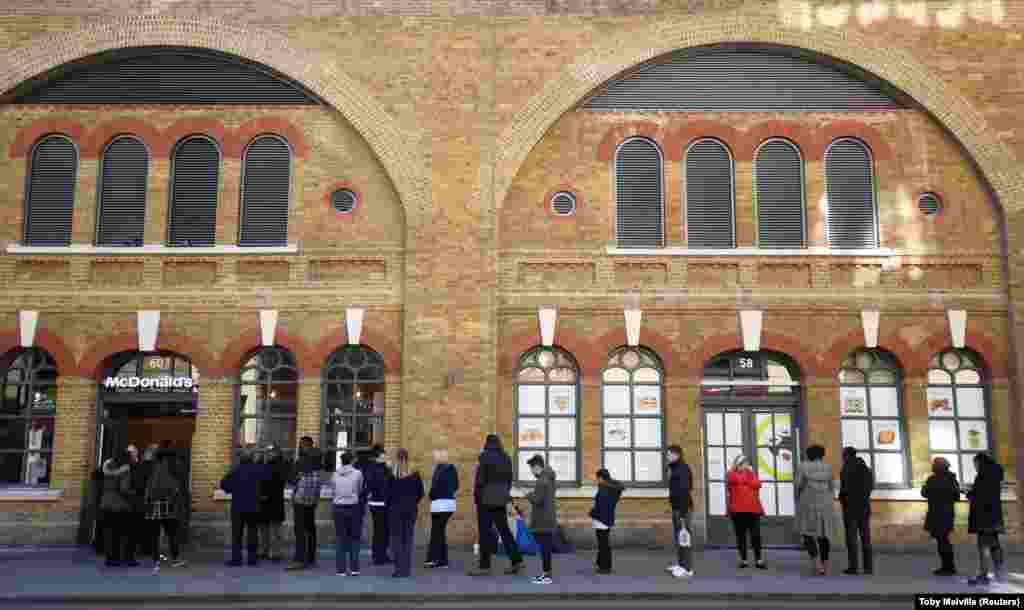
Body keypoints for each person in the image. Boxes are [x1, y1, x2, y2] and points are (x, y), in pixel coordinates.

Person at [469, 434, 524, 576]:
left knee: (484, 533)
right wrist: (505, 496)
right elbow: (509, 479)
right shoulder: (505, 458)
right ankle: (516, 560)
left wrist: (477, 498)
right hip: (501, 500)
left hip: (485, 501)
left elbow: (480, 481)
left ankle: (484, 566)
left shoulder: (485, 457)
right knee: (504, 530)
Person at [220, 448, 268, 566]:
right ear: (251, 458)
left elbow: (224, 484)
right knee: (252, 533)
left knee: (237, 534)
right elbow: (265, 486)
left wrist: (231, 490)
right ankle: (252, 559)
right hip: (253, 506)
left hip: (238, 506)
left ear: (241, 459)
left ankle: (236, 559)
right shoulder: (258, 470)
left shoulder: (236, 471)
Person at [796, 444, 838, 576]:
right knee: (824, 534)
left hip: (808, 504)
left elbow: (798, 484)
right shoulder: (828, 467)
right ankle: (825, 564)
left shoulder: (802, 466)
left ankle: (817, 563)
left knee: (807, 533)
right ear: (822, 455)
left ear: (809, 455)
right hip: (825, 505)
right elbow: (833, 486)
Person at [967, 452, 1005, 586]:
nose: (975, 467)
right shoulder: (995, 474)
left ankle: (983, 575)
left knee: (983, 546)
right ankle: (1000, 573)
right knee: (994, 544)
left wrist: (969, 494)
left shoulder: (983, 475)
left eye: (975, 464)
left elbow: (980, 495)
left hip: (983, 516)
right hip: (994, 515)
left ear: (980, 462)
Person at [145, 449, 187, 572]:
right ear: (164, 459)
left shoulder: (151, 469)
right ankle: (175, 559)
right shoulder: (167, 469)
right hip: (167, 506)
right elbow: (174, 488)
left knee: (154, 534)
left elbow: (148, 488)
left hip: (153, 505)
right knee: (172, 533)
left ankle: (156, 559)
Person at [388, 448, 424, 578]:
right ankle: (406, 569)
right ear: (407, 458)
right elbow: (421, 493)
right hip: (410, 509)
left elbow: (387, 493)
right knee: (408, 539)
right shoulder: (415, 474)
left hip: (395, 510)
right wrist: (413, 502)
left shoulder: (392, 474)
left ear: (397, 458)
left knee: (396, 540)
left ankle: (398, 569)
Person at [922, 456, 961, 577]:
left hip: (937, 513)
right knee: (943, 539)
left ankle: (948, 567)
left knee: (942, 540)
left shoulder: (933, 479)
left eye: (934, 464)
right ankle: (948, 566)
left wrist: (929, 490)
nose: (932, 466)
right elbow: (956, 496)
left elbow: (924, 493)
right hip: (948, 513)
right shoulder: (952, 479)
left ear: (937, 466)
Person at [726, 454, 766, 569]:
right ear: (737, 464)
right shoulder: (731, 474)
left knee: (756, 536)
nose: (746, 466)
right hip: (738, 510)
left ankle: (759, 559)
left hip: (753, 509)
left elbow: (758, 484)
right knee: (741, 536)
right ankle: (743, 560)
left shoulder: (751, 474)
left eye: (747, 463)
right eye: (743, 463)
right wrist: (748, 479)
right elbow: (735, 480)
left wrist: (748, 478)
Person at [838, 446, 874, 575]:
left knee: (851, 538)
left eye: (843, 455)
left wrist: (842, 499)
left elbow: (844, 489)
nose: (842, 458)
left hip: (850, 508)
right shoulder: (866, 469)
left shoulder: (846, 469)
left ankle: (853, 566)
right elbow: (871, 487)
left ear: (847, 456)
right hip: (864, 507)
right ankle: (868, 567)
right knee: (866, 537)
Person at [288, 437, 322, 570]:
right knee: (310, 528)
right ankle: (311, 557)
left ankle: (300, 559)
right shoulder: (319, 460)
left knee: (300, 529)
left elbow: (291, 480)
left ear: (303, 446)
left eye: (300, 445)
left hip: (300, 500)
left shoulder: (301, 462)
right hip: (313, 499)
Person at [524, 454, 558, 584]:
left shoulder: (542, 480)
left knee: (545, 549)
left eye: (532, 469)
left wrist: (527, 494)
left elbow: (537, 500)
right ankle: (545, 574)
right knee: (546, 548)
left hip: (543, 519)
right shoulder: (548, 477)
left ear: (537, 467)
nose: (531, 472)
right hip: (548, 517)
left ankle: (546, 576)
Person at [99, 449, 136, 567]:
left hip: (106, 503)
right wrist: (133, 493)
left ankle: (111, 559)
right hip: (120, 505)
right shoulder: (125, 470)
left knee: (110, 533)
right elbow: (124, 489)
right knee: (125, 533)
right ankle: (127, 558)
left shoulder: (107, 468)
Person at [331, 451, 365, 576]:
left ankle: (340, 570)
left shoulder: (335, 474)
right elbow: (360, 489)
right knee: (354, 538)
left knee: (340, 538)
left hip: (338, 507)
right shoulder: (358, 474)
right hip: (353, 507)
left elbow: (333, 490)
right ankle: (354, 568)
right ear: (352, 461)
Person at [425, 448, 458, 569]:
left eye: (435, 456)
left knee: (437, 531)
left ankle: (435, 559)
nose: (434, 458)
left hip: (439, 505)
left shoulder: (439, 469)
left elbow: (435, 487)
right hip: (449, 504)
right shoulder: (452, 469)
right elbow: (456, 485)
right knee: (439, 531)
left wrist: (432, 495)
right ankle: (442, 560)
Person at [363, 444, 395, 566]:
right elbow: (377, 484)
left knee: (384, 530)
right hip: (378, 503)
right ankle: (378, 556)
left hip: (383, 502)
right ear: (379, 455)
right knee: (380, 530)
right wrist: (388, 471)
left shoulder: (381, 467)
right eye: (384, 454)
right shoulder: (374, 468)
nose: (386, 456)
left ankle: (382, 554)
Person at [666, 445, 694, 578]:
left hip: (683, 509)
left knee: (684, 538)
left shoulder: (682, 469)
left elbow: (684, 490)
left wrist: (683, 513)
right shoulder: (675, 468)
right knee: (679, 537)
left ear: (676, 455)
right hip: (677, 508)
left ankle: (687, 569)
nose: (667, 456)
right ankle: (681, 564)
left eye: (669, 454)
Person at [589, 468, 623, 575]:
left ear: (601, 478)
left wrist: (592, 512)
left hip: (601, 519)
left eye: (597, 478)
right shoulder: (612, 489)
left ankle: (605, 567)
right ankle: (601, 563)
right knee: (604, 543)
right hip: (607, 518)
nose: (597, 481)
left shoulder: (604, 489)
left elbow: (600, 505)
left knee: (603, 544)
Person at [259, 445, 287, 563]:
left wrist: (265, 493)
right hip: (265, 502)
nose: (268, 454)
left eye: (271, 452)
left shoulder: (280, 466)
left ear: (276, 453)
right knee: (264, 528)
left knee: (275, 529)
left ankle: (276, 552)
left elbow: (278, 484)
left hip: (274, 501)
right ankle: (264, 550)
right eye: (267, 452)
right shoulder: (265, 465)